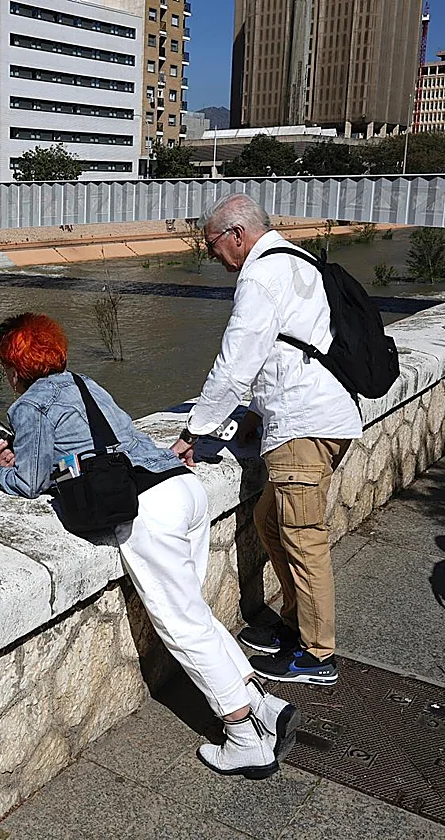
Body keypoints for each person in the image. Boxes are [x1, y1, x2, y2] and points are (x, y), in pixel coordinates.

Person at [0, 312, 300, 779]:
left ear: (15, 368)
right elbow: (99, 443)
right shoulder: (87, 384)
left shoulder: (29, 406)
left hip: (149, 507)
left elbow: (29, 482)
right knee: (193, 611)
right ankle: (263, 706)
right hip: (181, 486)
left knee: (181, 625)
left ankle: (242, 737)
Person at [171, 194, 361, 687]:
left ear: (236, 235)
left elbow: (235, 365)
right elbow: (291, 347)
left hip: (304, 427)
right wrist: (256, 414)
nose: (211, 255)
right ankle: (296, 626)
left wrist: (194, 432)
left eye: (211, 245)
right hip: (321, 418)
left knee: (303, 539)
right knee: (269, 520)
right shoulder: (298, 260)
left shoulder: (260, 276)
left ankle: (317, 655)